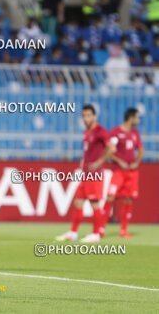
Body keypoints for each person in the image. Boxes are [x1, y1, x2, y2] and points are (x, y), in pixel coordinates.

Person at [56, 104, 113, 243]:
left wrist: (99, 163)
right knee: (78, 202)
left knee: (94, 204)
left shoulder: (100, 131)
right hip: (85, 174)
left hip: (95, 174)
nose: (85, 118)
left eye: (88, 115)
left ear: (94, 116)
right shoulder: (86, 132)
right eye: (83, 116)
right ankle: (73, 233)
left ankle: (96, 234)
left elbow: (111, 148)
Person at [101, 108, 143, 238]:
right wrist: (120, 161)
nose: (138, 120)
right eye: (137, 117)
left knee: (129, 199)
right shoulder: (116, 132)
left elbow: (141, 150)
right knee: (110, 197)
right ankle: (101, 228)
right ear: (131, 118)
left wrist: (137, 161)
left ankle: (123, 230)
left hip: (132, 172)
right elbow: (109, 151)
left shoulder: (135, 133)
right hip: (118, 171)